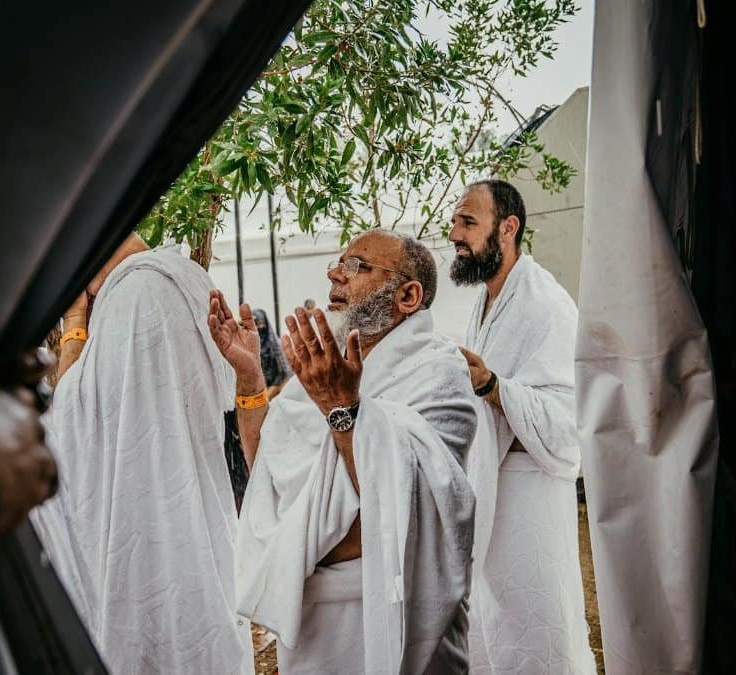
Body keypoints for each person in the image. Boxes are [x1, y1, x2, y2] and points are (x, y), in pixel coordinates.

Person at [209, 230, 477, 673]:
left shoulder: (439, 374)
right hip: (317, 626)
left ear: (408, 296)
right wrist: (250, 377)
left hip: (395, 617)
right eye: (338, 262)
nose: (335, 273)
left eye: (357, 266)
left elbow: (413, 506)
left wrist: (342, 407)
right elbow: (269, 471)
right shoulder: (328, 370)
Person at [32, 234, 253, 674]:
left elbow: (70, 420)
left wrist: (76, 321)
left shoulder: (136, 297)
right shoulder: (182, 282)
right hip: (193, 517)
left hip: (143, 526)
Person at [448, 179, 596, 674]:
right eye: (455, 221)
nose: (455, 233)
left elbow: (569, 425)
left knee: (539, 627)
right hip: (489, 493)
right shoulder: (488, 299)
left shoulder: (546, 306)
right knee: (491, 633)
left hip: (530, 500)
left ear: (507, 228)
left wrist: (494, 386)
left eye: (468, 222)